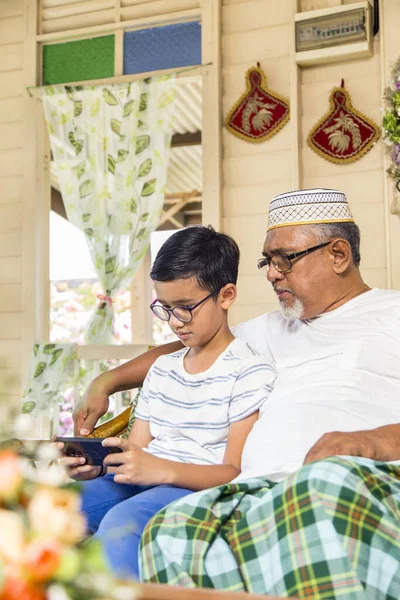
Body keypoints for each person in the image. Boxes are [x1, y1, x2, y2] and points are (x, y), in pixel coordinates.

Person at [74, 188, 400, 597]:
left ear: (338, 254)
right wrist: (107, 381)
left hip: (344, 478)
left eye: (285, 260)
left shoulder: (392, 314)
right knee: (154, 527)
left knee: (324, 489)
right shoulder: (270, 328)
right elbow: (180, 349)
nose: (270, 273)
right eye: (267, 261)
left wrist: (371, 442)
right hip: (244, 493)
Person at [62, 225, 274, 580]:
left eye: (186, 308)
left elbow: (233, 472)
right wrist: (97, 464)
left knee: (121, 522)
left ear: (226, 295)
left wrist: (163, 470)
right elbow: (136, 451)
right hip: (141, 479)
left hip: (190, 485)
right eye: (166, 308)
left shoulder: (249, 372)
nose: (175, 322)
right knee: (51, 505)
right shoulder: (162, 369)